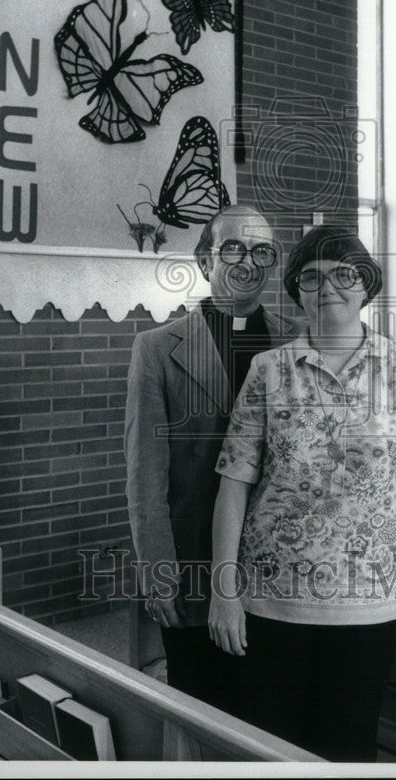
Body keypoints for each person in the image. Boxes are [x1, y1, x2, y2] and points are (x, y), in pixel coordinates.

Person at [208, 226, 396, 761]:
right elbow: (234, 481)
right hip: (273, 599)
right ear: (296, 291)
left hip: (368, 601)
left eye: (345, 274)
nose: (329, 287)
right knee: (269, 747)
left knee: (348, 746)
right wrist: (224, 591)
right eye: (311, 277)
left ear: (366, 285)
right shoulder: (269, 370)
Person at [124, 205, 301, 713]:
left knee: (271, 709)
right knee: (204, 706)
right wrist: (159, 570)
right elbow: (144, 474)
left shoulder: (298, 339)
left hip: (282, 562)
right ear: (205, 260)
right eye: (233, 248)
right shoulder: (157, 348)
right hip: (196, 556)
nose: (249, 262)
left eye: (262, 251)